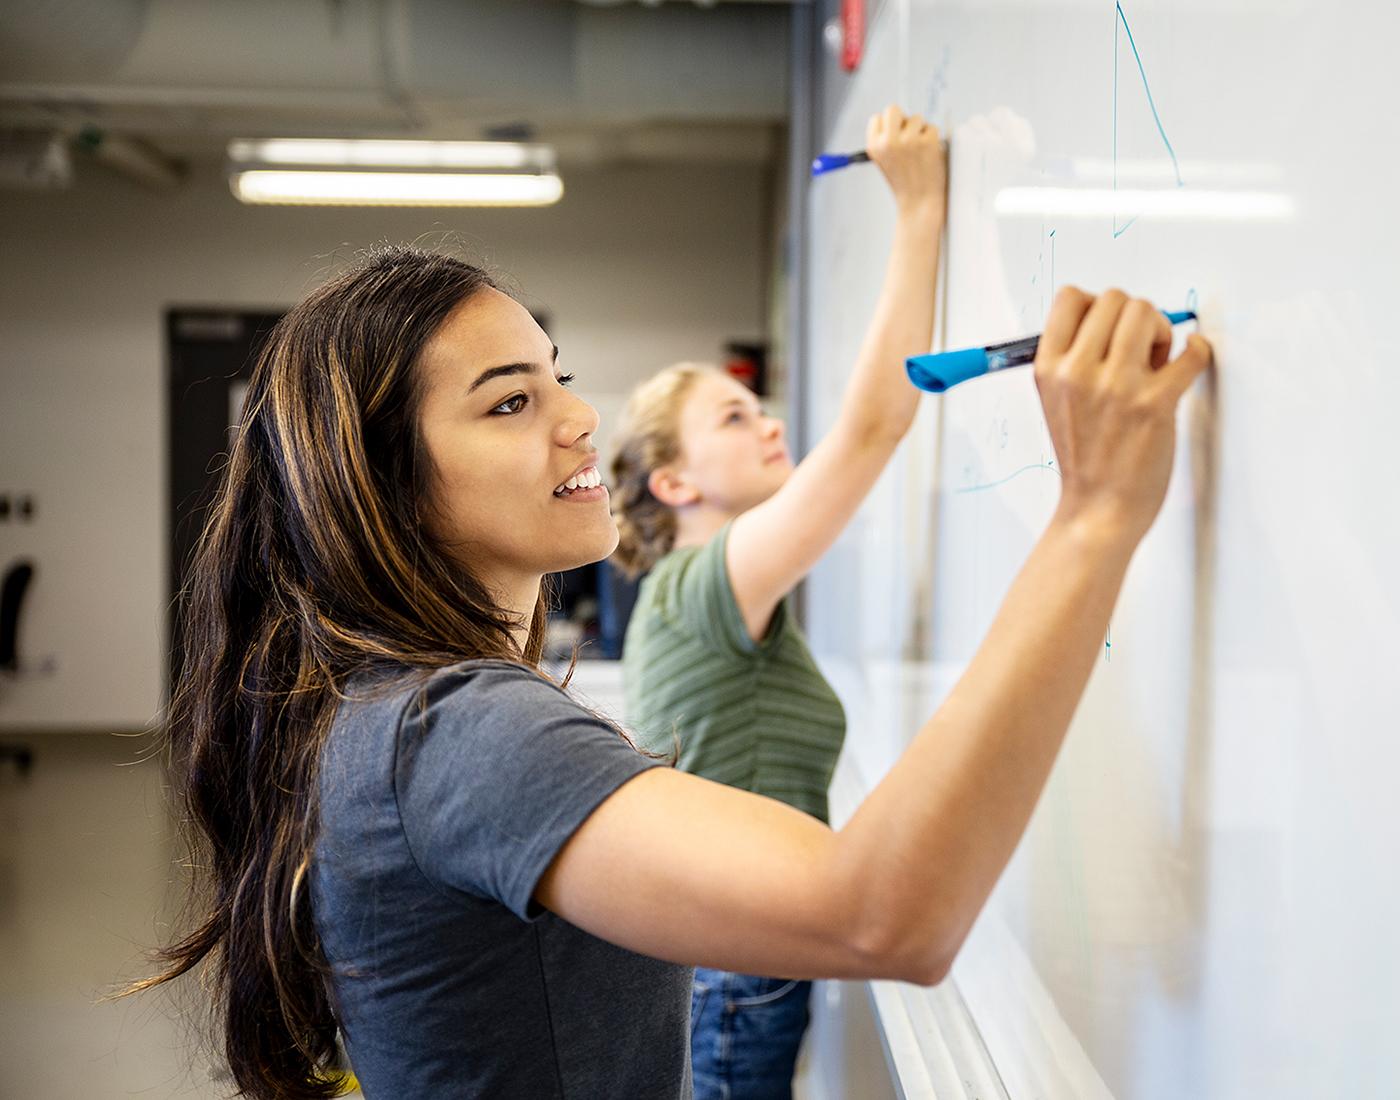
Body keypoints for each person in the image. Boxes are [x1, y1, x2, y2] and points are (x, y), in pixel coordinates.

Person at [132, 233, 1209, 1099]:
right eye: (511, 401)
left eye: (557, 378)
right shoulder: (453, 730)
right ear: (389, 487)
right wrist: (1097, 515)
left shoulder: (383, 711)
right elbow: (883, 910)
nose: (580, 416)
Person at [607, 104, 943, 1096]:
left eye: (759, 404)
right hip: (731, 975)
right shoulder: (704, 586)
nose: (770, 424)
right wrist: (919, 207)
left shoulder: (709, 598)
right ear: (675, 483)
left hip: (736, 966)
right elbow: (876, 424)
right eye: (735, 414)